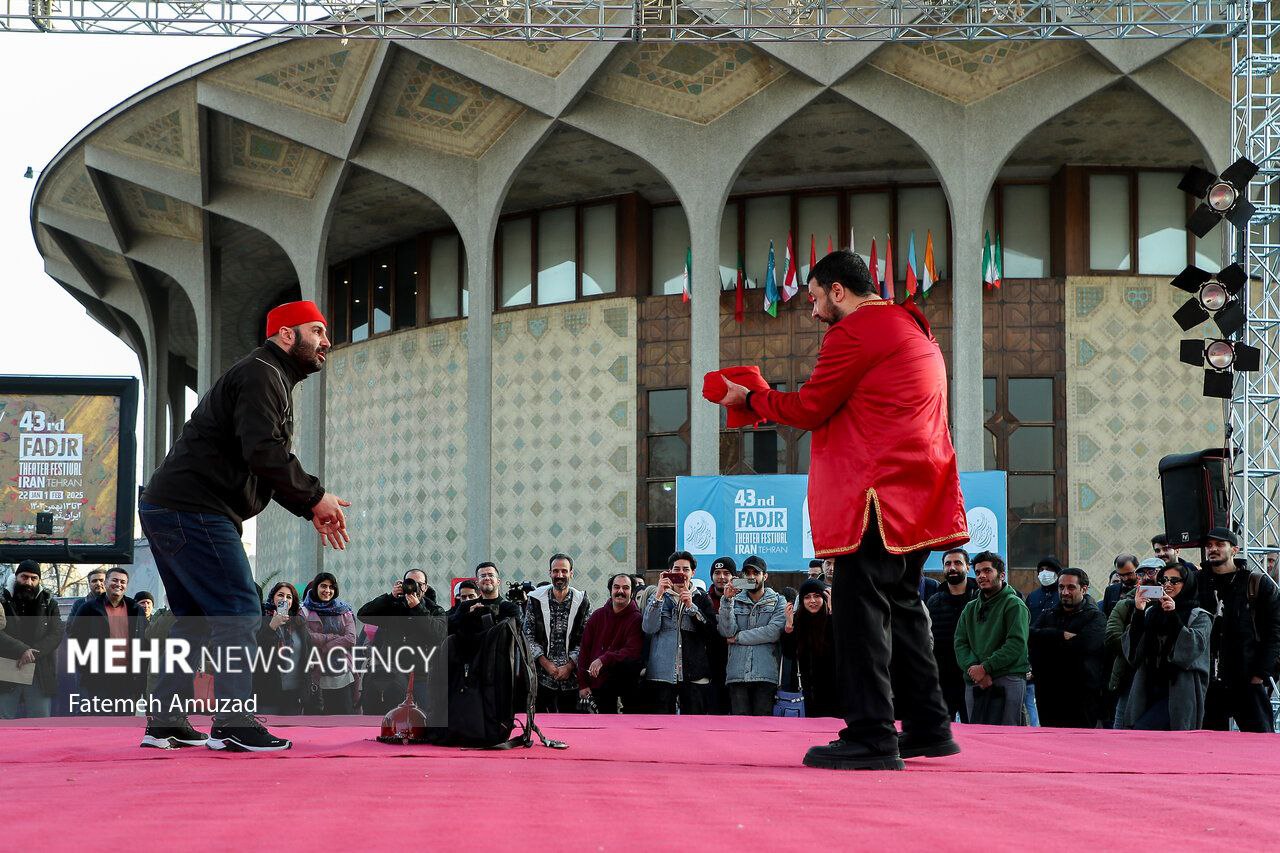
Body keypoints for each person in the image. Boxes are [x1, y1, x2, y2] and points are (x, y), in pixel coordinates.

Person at [713, 250, 968, 769]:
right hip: (917, 493)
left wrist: (752, 399)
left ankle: (872, 736)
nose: (810, 312)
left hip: (875, 497)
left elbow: (809, 407)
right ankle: (928, 726)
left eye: (812, 298)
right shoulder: (913, 326)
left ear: (837, 291)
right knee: (904, 611)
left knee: (858, 617)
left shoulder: (856, 332)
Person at [138, 299, 352, 752]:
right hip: (194, 508)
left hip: (171, 507)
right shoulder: (262, 373)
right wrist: (314, 496)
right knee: (238, 609)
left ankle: (164, 720)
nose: (326, 342)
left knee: (196, 619)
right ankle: (233, 721)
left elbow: (259, 461)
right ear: (286, 334)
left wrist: (308, 504)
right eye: (317, 331)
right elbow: (263, 451)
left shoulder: (267, 376)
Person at [1198, 528, 1280, 732]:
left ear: (1234, 549)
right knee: (1207, 747)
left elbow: (1274, 631)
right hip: (1207, 681)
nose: (1213, 549)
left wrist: (1260, 673)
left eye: (1219, 545)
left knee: (1259, 743)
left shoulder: (1256, 583)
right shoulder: (1197, 582)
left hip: (1246, 677)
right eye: (1209, 546)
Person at [1123, 562, 1211, 730]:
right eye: (1163, 580)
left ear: (1187, 584)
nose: (1167, 584)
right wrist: (1139, 611)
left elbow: (1191, 649)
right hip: (1147, 686)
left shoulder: (1199, 616)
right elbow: (1133, 652)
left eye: (1174, 580)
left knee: (1145, 730)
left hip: (1179, 688)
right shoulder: (1152, 612)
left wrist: (1173, 616)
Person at [954, 552, 1029, 727]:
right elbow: (960, 643)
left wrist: (986, 668)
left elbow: (1015, 644)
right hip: (975, 681)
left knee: (1008, 740)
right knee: (978, 740)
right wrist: (976, 671)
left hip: (1007, 679)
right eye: (978, 572)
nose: (981, 576)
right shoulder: (970, 608)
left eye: (987, 571)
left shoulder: (1014, 605)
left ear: (1001, 575)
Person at [1028, 567, 1106, 728]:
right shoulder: (1049, 614)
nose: (1064, 592)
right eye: (1061, 587)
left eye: (1070, 587)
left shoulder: (1095, 617)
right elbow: (1030, 636)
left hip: (1081, 696)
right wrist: (1059, 635)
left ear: (1083, 589)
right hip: (1049, 693)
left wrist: (1049, 643)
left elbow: (1085, 645)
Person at [643, 552, 719, 714]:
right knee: (661, 730)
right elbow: (648, 628)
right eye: (676, 569)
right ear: (669, 572)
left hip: (694, 675)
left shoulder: (702, 598)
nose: (681, 573)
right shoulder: (657, 597)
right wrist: (658, 595)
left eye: (685, 569)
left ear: (693, 573)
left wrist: (691, 607)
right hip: (661, 674)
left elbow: (710, 632)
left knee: (693, 730)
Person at [357, 574, 446, 713]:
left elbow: (438, 635)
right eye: (410, 583)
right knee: (393, 720)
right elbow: (363, 614)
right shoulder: (394, 607)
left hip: (422, 675)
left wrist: (418, 609)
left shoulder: (434, 609)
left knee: (426, 720)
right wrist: (390, 597)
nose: (414, 587)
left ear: (425, 587)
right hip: (393, 674)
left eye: (419, 584)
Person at [66, 567, 146, 715]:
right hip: (98, 678)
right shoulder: (88, 608)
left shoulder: (136, 609)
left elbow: (144, 642)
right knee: (100, 723)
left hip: (128, 678)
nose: (119, 584)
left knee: (123, 725)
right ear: (106, 582)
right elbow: (74, 638)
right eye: (114, 580)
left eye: (123, 582)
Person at [717, 556, 787, 716]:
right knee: (739, 731)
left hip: (766, 674)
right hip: (737, 675)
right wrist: (727, 600)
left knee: (763, 730)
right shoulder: (732, 600)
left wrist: (738, 638)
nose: (751, 577)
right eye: (747, 573)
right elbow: (727, 632)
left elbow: (773, 632)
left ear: (765, 576)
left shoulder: (778, 601)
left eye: (756, 573)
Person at [525, 553, 591, 713]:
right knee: (541, 725)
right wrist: (545, 663)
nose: (559, 575)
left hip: (572, 679)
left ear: (571, 573)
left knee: (571, 729)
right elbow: (527, 635)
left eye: (564, 571)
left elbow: (586, 639)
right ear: (549, 573)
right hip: (542, 677)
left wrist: (569, 666)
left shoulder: (582, 601)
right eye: (555, 571)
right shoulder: (535, 600)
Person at [0, 560, 64, 719]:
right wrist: (22, 649)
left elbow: (56, 634)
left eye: (33, 578)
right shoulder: (2, 600)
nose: (28, 582)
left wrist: (32, 653)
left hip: (39, 669)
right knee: (4, 721)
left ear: (39, 580)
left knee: (40, 723)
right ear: (16, 577)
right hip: (7, 668)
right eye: (24, 577)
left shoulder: (50, 603)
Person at [1107, 558, 1165, 727]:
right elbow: (1111, 637)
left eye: (1152, 572)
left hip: (1162, 680)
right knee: (1122, 727)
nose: (1146, 577)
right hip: (1130, 675)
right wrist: (1137, 646)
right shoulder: (1125, 604)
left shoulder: (1173, 605)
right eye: (1142, 573)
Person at [925, 548, 979, 723]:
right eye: (948, 564)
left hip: (973, 677)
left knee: (974, 728)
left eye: (957, 563)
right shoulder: (934, 601)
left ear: (968, 567)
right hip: (943, 680)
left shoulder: (979, 598)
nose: (952, 567)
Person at [579, 573, 643, 714]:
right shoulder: (597, 616)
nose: (620, 591)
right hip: (598, 687)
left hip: (626, 687)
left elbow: (632, 650)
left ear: (632, 592)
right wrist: (583, 684)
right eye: (616, 587)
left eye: (625, 588)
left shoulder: (636, 619)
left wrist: (604, 659)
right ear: (610, 590)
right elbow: (584, 651)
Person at [300, 572, 356, 715]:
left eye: (331, 587)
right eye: (323, 586)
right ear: (316, 588)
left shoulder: (344, 610)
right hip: (316, 672)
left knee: (344, 719)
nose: (327, 590)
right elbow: (307, 637)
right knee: (318, 720)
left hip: (343, 673)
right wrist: (333, 637)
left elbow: (350, 638)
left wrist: (326, 646)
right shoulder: (304, 611)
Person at [782, 578, 838, 718]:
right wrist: (789, 629)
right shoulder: (797, 621)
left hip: (835, 690)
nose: (812, 601)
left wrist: (832, 614)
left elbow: (839, 646)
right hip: (804, 690)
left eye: (817, 596)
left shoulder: (834, 620)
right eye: (807, 597)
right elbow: (789, 654)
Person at [253, 582, 311, 715]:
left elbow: (307, 655)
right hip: (267, 692)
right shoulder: (262, 621)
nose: (284, 599)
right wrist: (272, 627)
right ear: (273, 598)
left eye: (289, 597)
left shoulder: (299, 623)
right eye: (280, 595)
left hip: (294, 694)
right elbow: (257, 653)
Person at [449, 562, 523, 635]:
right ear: (477, 583)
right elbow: (451, 631)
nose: (487, 578)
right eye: (483, 576)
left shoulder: (510, 608)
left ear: (498, 581)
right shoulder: (466, 606)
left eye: (491, 575)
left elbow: (516, 633)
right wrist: (469, 617)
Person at [1026, 557, 1062, 627]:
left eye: (1048, 569)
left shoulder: (1064, 595)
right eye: (1041, 570)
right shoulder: (1032, 596)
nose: (1044, 573)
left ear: (1057, 573)